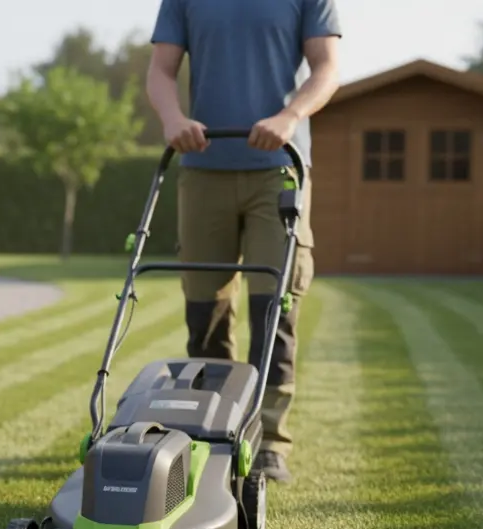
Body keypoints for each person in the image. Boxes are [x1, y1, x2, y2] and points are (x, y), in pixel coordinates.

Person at [146, 0, 341, 485]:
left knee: (274, 310)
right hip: (202, 168)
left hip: (279, 169)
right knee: (205, 314)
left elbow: (327, 68)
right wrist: (172, 119)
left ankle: (269, 441)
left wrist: (290, 115)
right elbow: (161, 70)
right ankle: (211, 432)